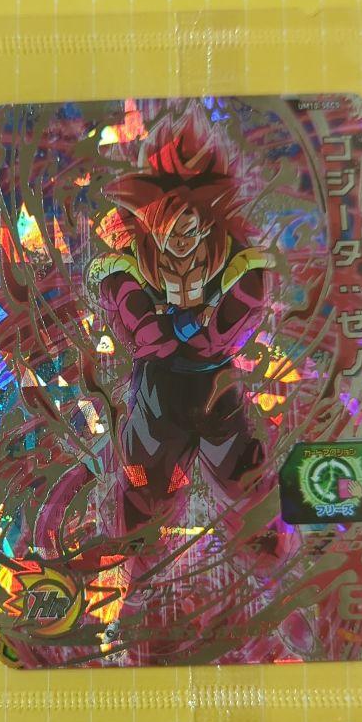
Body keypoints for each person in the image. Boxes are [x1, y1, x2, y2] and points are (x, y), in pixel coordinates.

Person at [88, 102, 274, 541]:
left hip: (216, 387)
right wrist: (164, 330)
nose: (181, 242)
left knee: (245, 486)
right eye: (168, 230)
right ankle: (135, 555)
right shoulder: (129, 263)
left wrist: (204, 332)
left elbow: (240, 310)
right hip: (159, 388)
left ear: (208, 220)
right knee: (143, 489)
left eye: (190, 229)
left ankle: (270, 551)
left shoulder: (237, 259)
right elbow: (134, 318)